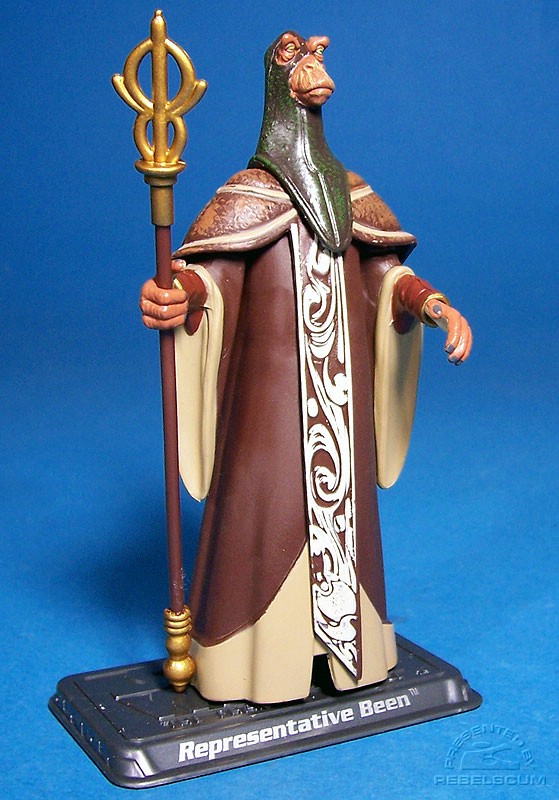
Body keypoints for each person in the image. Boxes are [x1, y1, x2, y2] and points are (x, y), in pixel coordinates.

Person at [139, 31, 472, 704]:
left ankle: (349, 655)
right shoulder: (248, 195)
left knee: (346, 514)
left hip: (341, 402)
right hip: (269, 404)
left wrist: (430, 303)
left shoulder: (349, 191)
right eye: (297, 57)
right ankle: (258, 663)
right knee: (265, 509)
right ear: (278, 84)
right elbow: (214, 278)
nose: (315, 67)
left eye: (318, 57)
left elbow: (383, 273)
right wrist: (183, 295)